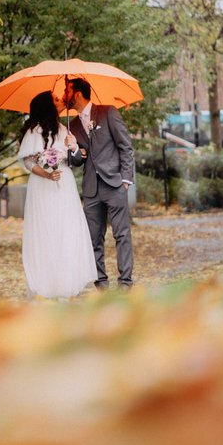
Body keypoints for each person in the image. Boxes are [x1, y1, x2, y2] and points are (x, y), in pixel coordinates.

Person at [16, 90, 97, 298]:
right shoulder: (34, 132)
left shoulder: (63, 129)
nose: (61, 100)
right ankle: (47, 282)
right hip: (43, 186)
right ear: (47, 106)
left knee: (66, 229)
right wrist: (46, 173)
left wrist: (73, 148)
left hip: (64, 183)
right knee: (47, 229)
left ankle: (66, 280)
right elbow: (28, 162)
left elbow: (76, 159)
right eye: (56, 99)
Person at [64, 77, 135, 289]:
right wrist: (74, 148)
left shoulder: (107, 112)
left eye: (67, 91)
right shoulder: (73, 125)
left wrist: (125, 180)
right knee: (93, 240)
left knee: (122, 235)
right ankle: (101, 284)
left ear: (77, 94)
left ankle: (125, 283)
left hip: (115, 184)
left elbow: (126, 147)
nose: (64, 95)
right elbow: (76, 161)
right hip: (92, 189)